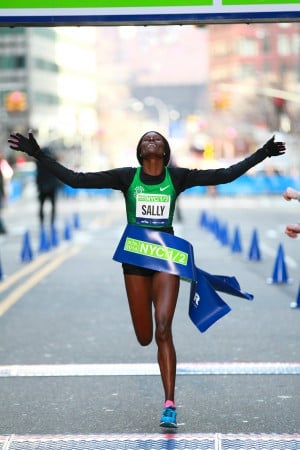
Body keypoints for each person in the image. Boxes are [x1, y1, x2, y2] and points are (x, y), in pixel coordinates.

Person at [8, 130, 286, 428]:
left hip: (167, 257)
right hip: (135, 258)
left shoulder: (177, 178)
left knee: (163, 328)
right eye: (145, 139)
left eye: (157, 139)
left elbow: (226, 175)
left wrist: (263, 153)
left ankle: (169, 403)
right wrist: (38, 155)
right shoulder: (127, 178)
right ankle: (157, 364)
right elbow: (77, 179)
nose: (151, 141)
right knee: (145, 336)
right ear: (140, 151)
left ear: (165, 151)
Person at [36, 146, 60, 226]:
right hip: (51, 187)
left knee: (42, 205)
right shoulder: (52, 161)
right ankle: (52, 222)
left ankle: (42, 222)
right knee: (52, 205)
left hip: (42, 186)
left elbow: (38, 175)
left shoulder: (39, 162)